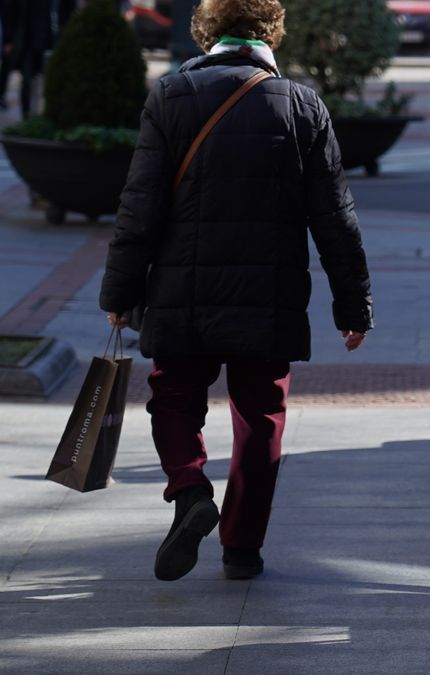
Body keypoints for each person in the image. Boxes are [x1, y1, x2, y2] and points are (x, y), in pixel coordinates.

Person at [99, 0, 373, 583]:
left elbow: (139, 207)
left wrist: (119, 290)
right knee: (261, 416)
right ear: (270, 32)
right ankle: (242, 548)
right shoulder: (302, 105)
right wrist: (352, 305)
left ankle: (191, 486)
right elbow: (335, 217)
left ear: (205, 33)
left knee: (173, 398)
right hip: (269, 293)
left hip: (181, 289)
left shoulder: (170, 97)